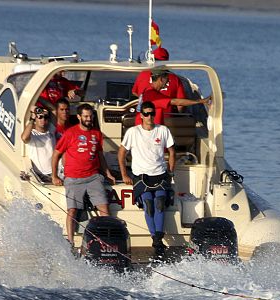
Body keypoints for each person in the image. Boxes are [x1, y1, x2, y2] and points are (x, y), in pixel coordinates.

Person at [51, 104, 116, 247]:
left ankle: (106, 241)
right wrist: (54, 176)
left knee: (104, 209)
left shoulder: (97, 134)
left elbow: (99, 155)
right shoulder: (70, 133)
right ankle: (71, 242)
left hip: (93, 177)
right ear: (79, 117)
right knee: (72, 210)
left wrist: (108, 173)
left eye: (91, 116)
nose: (89, 119)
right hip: (73, 178)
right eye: (85, 116)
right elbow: (56, 154)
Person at [117, 101, 175, 256]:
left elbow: (171, 151)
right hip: (141, 175)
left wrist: (171, 171)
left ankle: (158, 238)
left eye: (152, 113)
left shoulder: (163, 130)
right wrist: (124, 174)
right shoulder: (133, 132)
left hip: (160, 174)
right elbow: (121, 153)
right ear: (141, 115)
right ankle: (156, 239)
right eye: (147, 114)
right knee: (148, 203)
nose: (150, 117)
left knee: (160, 202)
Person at [136, 69, 211, 125]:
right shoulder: (153, 95)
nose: (168, 82)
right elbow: (178, 102)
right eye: (167, 79)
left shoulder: (148, 90)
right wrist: (201, 101)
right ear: (161, 79)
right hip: (148, 131)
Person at [21, 106, 55, 181]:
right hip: (43, 174)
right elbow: (24, 138)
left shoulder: (51, 129)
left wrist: (40, 102)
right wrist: (32, 119)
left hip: (56, 172)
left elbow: (53, 110)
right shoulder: (32, 134)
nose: (43, 119)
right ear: (35, 119)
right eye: (40, 117)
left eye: (45, 117)